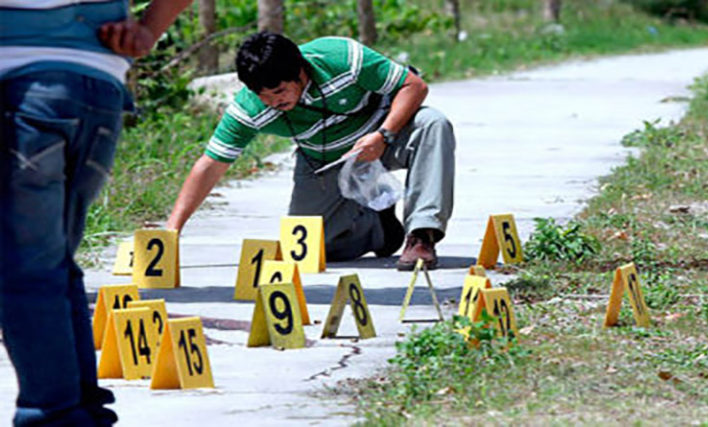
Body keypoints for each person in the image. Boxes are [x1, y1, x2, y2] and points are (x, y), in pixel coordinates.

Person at [0, 0, 192, 425]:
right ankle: (83, 412)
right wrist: (148, 30)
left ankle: (55, 417)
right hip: (97, 88)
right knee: (51, 267)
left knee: (24, 270)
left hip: (18, 84)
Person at [167, 31, 456, 270]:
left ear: (300, 72)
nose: (272, 102)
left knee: (433, 123)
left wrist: (382, 135)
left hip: (383, 134)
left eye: (279, 92)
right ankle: (379, 228)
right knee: (309, 252)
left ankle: (422, 234)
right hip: (323, 161)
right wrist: (172, 232)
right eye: (262, 96)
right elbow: (210, 164)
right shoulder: (251, 108)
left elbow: (413, 86)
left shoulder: (341, 58)